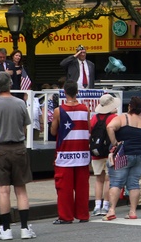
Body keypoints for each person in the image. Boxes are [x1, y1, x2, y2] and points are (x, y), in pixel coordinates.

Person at [0, 71, 34, 240]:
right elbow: (25, 126)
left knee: (3, 190)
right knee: (21, 189)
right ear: (10, 84)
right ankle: (25, 228)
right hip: (18, 147)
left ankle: (6, 229)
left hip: (0, 148)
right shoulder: (20, 103)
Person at [50, 80, 91, 224]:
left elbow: (54, 131)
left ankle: (66, 216)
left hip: (64, 153)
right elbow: (88, 129)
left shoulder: (58, 110)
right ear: (77, 92)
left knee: (64, 188)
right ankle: (83, 214)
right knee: (82, 187)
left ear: (64, 92)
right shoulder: (85, 109)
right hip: (82, 153)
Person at [103, 96, 141, 220]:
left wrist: (115, 143)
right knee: (134, 183)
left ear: (130, 106)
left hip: (124, 153)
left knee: (116, 182)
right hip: (140, 155)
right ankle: (133, 211)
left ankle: (111, 210)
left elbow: (110, 127)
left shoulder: (124, 118)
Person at [90, 94, 118, 216]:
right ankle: (106, 205)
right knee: (108, 179)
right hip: (109, 152)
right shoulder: (114, 118)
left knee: (98, 179)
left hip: (96, 152)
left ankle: (97, 206)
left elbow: (90, 132)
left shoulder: (94, 118)